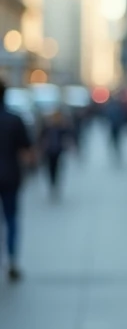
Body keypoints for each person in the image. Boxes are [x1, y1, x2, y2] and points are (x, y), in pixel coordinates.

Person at [0, 79, 33, 281]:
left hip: (10, 175)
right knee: (11, 219)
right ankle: (12, 260)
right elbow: (27, 152)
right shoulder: (14, 119)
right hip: (10, 176)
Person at [37, 109, 72, 201]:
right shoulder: (47, 126)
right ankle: (52, 184)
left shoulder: (60, 126)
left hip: (57, 150)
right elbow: (41, 137)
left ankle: (55, 184)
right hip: (49, 151)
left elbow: (67, 135)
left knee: (56, 168)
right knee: (50, 168)